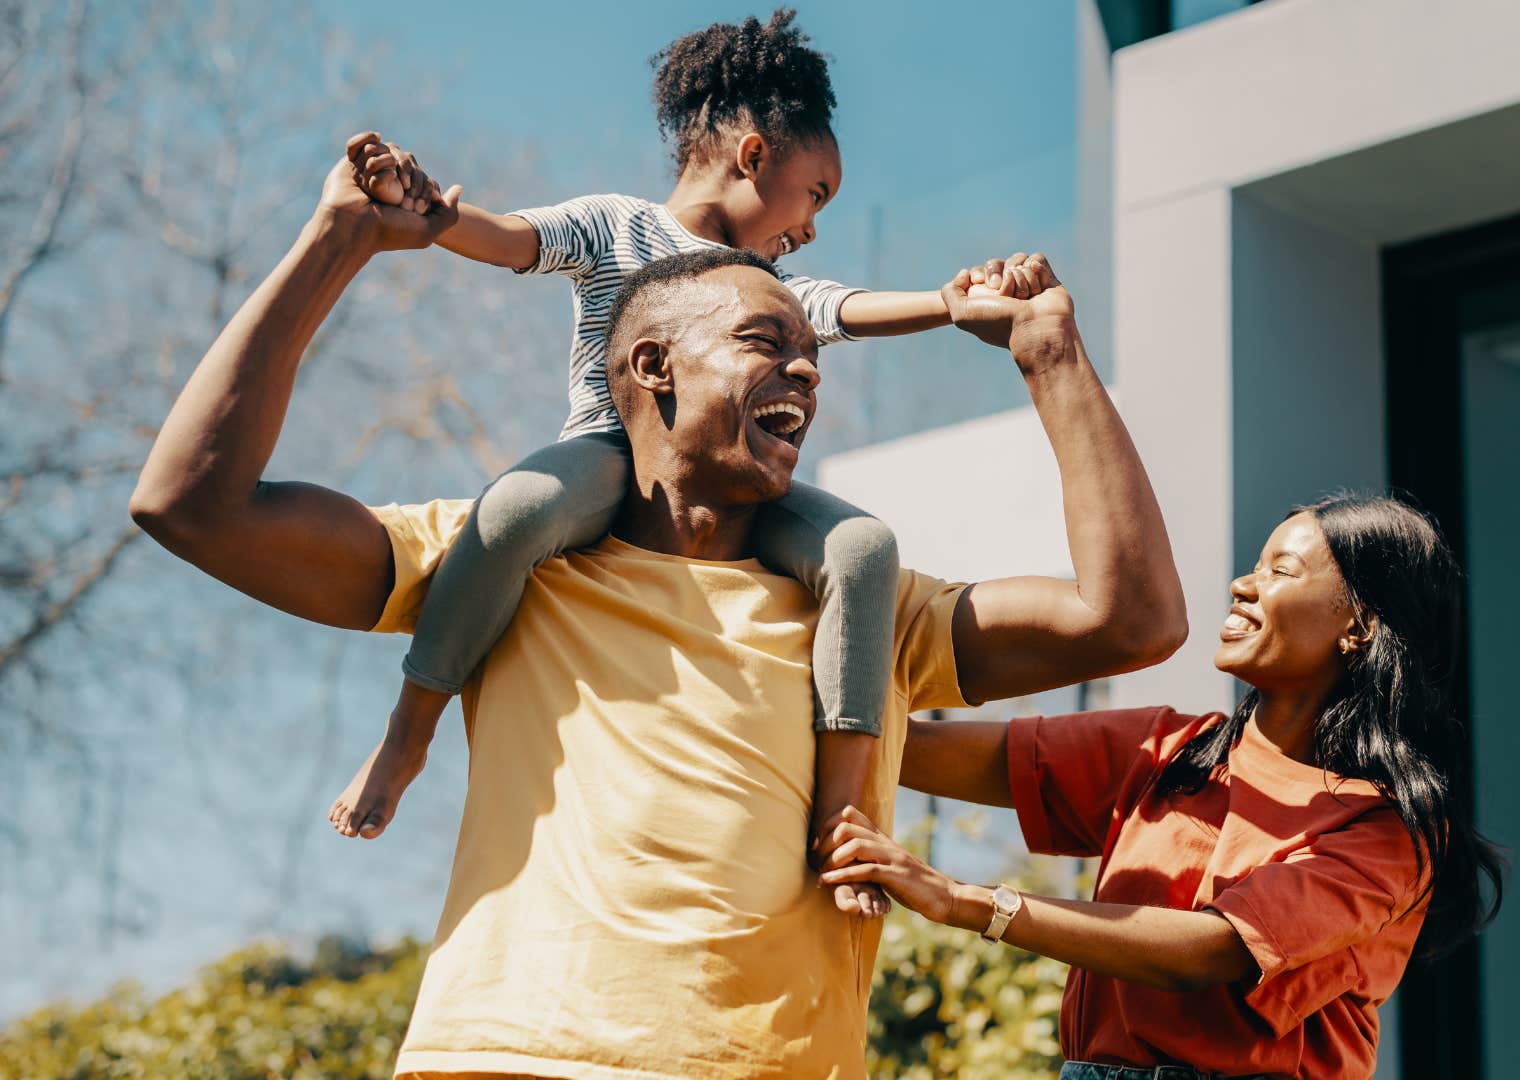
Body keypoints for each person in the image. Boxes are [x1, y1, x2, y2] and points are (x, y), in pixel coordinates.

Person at [129, 144, 1184, 1078]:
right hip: (515, 1058)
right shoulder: (503, 563)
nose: (807, 370)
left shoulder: (862, 609)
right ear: (651, 368)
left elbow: (1130, 623)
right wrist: (339, 240)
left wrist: (1052, 357)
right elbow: (189, 508)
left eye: (806, 348)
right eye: (765, 343)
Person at [328, 11, 970, 924]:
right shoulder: (614, 226)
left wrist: (948, 302)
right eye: (815, 193)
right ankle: (406, 735)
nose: (814, 227)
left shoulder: (765, 284)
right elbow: (510, 238)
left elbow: (839, 306)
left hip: (735, 486)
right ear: (753, 156)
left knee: (864, 549)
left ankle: (844, 813)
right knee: (511, 511)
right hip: (612, 461)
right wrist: (430, 213)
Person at [818, 495, 1507, 1078]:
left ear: (1359, 626)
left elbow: (1215, 949)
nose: (1243, 584)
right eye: (1254, 565)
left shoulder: (1387, 831)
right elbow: (908, 749)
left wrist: (964, 902)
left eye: (1280, 571)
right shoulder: (1172, 751)